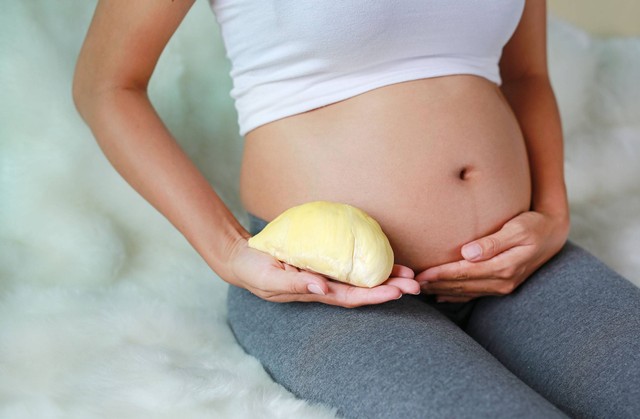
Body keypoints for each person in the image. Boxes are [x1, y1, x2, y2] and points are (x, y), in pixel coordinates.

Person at [73, 0, 640, 417]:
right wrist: (226, 249)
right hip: (321, 290)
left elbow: (526, 75)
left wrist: (552, 215)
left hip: (515, 267)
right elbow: (106, 86)